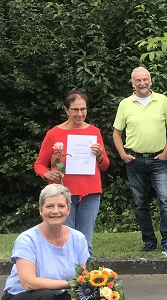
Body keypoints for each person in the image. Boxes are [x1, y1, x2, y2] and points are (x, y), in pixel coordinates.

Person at [34, 91, 110, 256]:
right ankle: (63, 279)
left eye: (83, 109)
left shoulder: (94, 131)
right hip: (61, 195)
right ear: (66, 110)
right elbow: (39, 164)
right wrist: (46, 174)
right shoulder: (54, 133)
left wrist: (99, 156)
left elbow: (105, 165)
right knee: (63, 239)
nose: (80, 113)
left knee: (85, 241)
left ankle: (86, 280)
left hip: (90, 193)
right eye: (75, 109)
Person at [112, 66, 167, 257]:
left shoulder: (162, 100)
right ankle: (149, 241)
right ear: (132, 83)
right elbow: (116, 133)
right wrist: (122, 154)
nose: (142, 83)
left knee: (165, 201)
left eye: (145, 80)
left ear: (151, 81)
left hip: (158, 159)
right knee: (140, 203)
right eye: (138, 80)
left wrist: (166, 152)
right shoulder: (125, 104)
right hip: (134, 159)